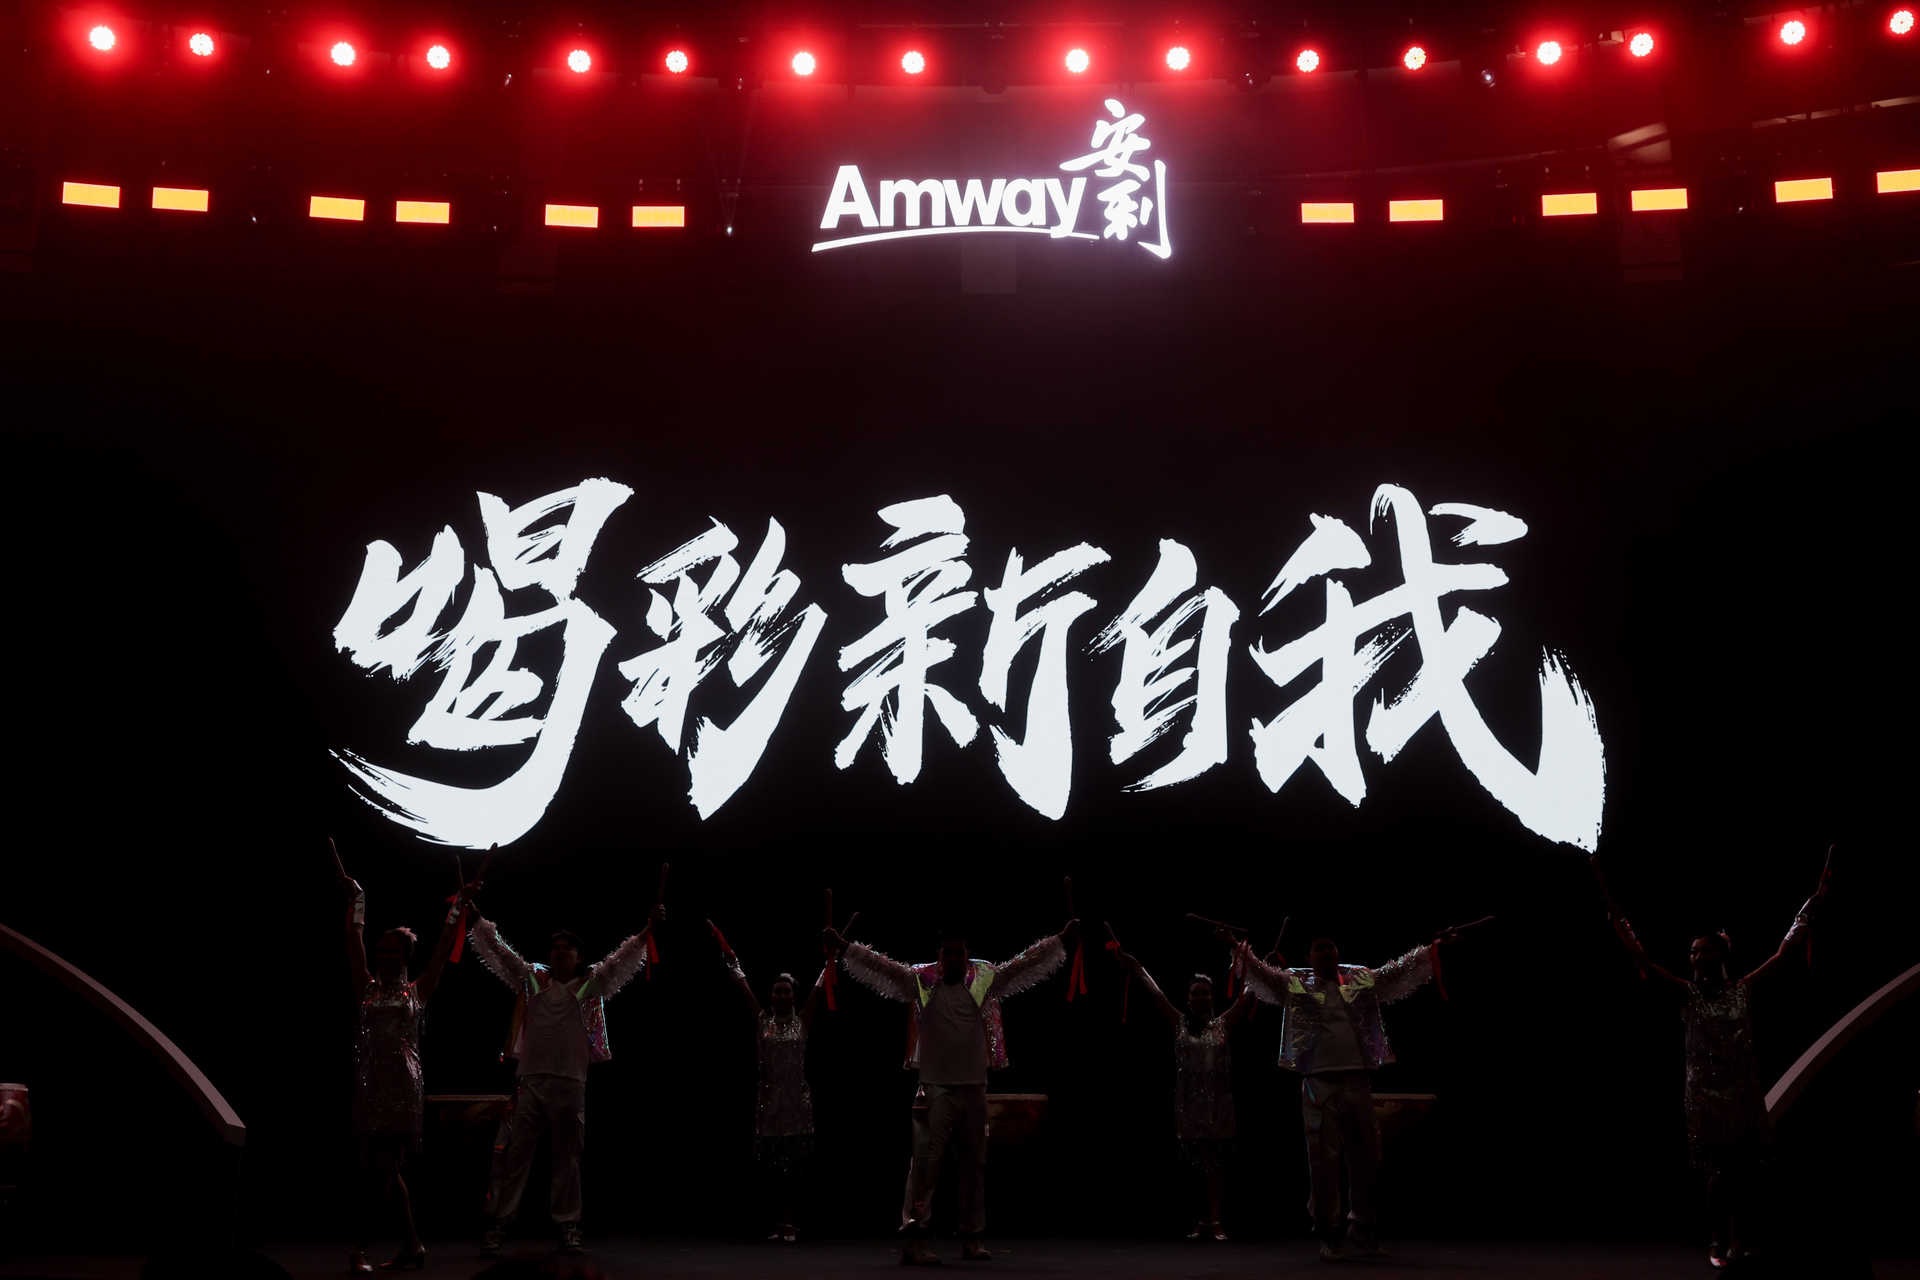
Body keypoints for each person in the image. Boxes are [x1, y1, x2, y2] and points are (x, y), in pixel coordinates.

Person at [1609, 856, 1828, 1270]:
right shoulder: (1686, 993)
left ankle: (1740, 1239)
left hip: (1741, 1091)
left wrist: (1810, 907)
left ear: (1720, 953)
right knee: (1717, 1172)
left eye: (1702, 950)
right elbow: (1644, 962)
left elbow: (1784, 953)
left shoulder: (1743, 989)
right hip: (1705, 1095)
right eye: (1692, 952)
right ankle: (1716, 1237)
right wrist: (1621, 925)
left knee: (1744, 1170)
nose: (1695, 957)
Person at [829, 919, 1076, 1265]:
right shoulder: (920, 979)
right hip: (934, 1087)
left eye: (959, 953)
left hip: (974, 1087)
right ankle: (915, 1239)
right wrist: (845, 948)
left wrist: (1059, 941)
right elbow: (879, 966)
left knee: (974, 1165)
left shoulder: (985, 978)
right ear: (940, 956)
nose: (954, 959)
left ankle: (972, 1238)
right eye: (948, 953)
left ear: (967, 955)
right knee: (925, 1166)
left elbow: (1023, 965)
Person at [1232, 928, 1453, 1263]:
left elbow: (1397, 972)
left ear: (1337, 953)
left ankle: (1363, 1230)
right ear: (1309, 957)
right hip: (1318, 1082)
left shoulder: (1360, 980)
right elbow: (1264, 976)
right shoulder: (1296, 984)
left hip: (1357, 1080)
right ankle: (1330, 1234)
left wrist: (1433, 948)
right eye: (1318, 948)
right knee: (1323, 1161)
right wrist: (1237, 948)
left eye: (1329, 947)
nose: (1325, 953)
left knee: (1367, 1158)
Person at [468, 902, 663, 1255]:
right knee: (515, 1156)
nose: (560, 953)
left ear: (578, 956)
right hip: (531, 1082)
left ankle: (569, 1224)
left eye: (567, 948)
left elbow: (620, 961)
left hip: (571, 1083)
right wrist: (478, 919)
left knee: (568, 1158)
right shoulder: (532, 980)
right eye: (555, 948)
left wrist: (647, 931)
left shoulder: (589, 985)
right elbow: (501, 953)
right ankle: (498, 1224)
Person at [339, 867, 471, 1274]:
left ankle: (363, 1246)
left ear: (405, 957)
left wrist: (458, 908)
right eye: (381, 950)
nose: (384, 956)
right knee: (384, 1167)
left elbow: (444, 945)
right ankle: (412, 1244)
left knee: (383, 1165)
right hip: (371, 1085)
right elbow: (353, 940)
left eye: (392, 951)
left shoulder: (418, 990)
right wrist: (358, 898)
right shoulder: (365, 987)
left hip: (401, 1088)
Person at [1113, 950, 1255, 1241]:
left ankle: (1216, 1219)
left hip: (1217, 1104)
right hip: (1189, 1104)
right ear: (1188, 999)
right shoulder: (1178, 1023)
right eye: (1195, 993)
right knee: (1195, 1163)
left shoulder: (1223, 1024)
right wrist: (1137, 967)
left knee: (1214, 1162)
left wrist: (1258, 967)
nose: (1200, 997)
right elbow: (1156, 994)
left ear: (1212, 997)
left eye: (1205, 993)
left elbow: (1247, 996)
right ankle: (1201, 1219)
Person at [716, 934, 835, 1242]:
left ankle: (791, 1222)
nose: (781, 995)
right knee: (772, 1166)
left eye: (786, 991)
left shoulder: (803, 1021)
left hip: (796, 1103)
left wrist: (831, 959)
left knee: (794, 1166)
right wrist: (732, 961)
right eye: (777, 991)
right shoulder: (762, 1021)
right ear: (771, 995)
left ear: (794, 996)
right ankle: (776, 1222)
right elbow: (743, 986)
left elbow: (820, 987)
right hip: (769, 1103)